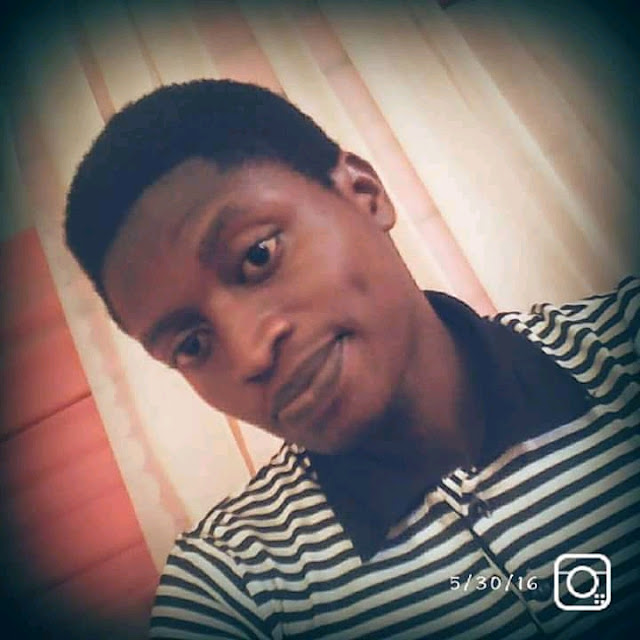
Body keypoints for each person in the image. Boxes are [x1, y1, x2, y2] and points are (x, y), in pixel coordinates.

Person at [65, 79, 639, 639]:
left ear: (364, 193)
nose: (250, 353)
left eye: (258, 256)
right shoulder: (234, 583)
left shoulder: (622, 343)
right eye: (191, 345)